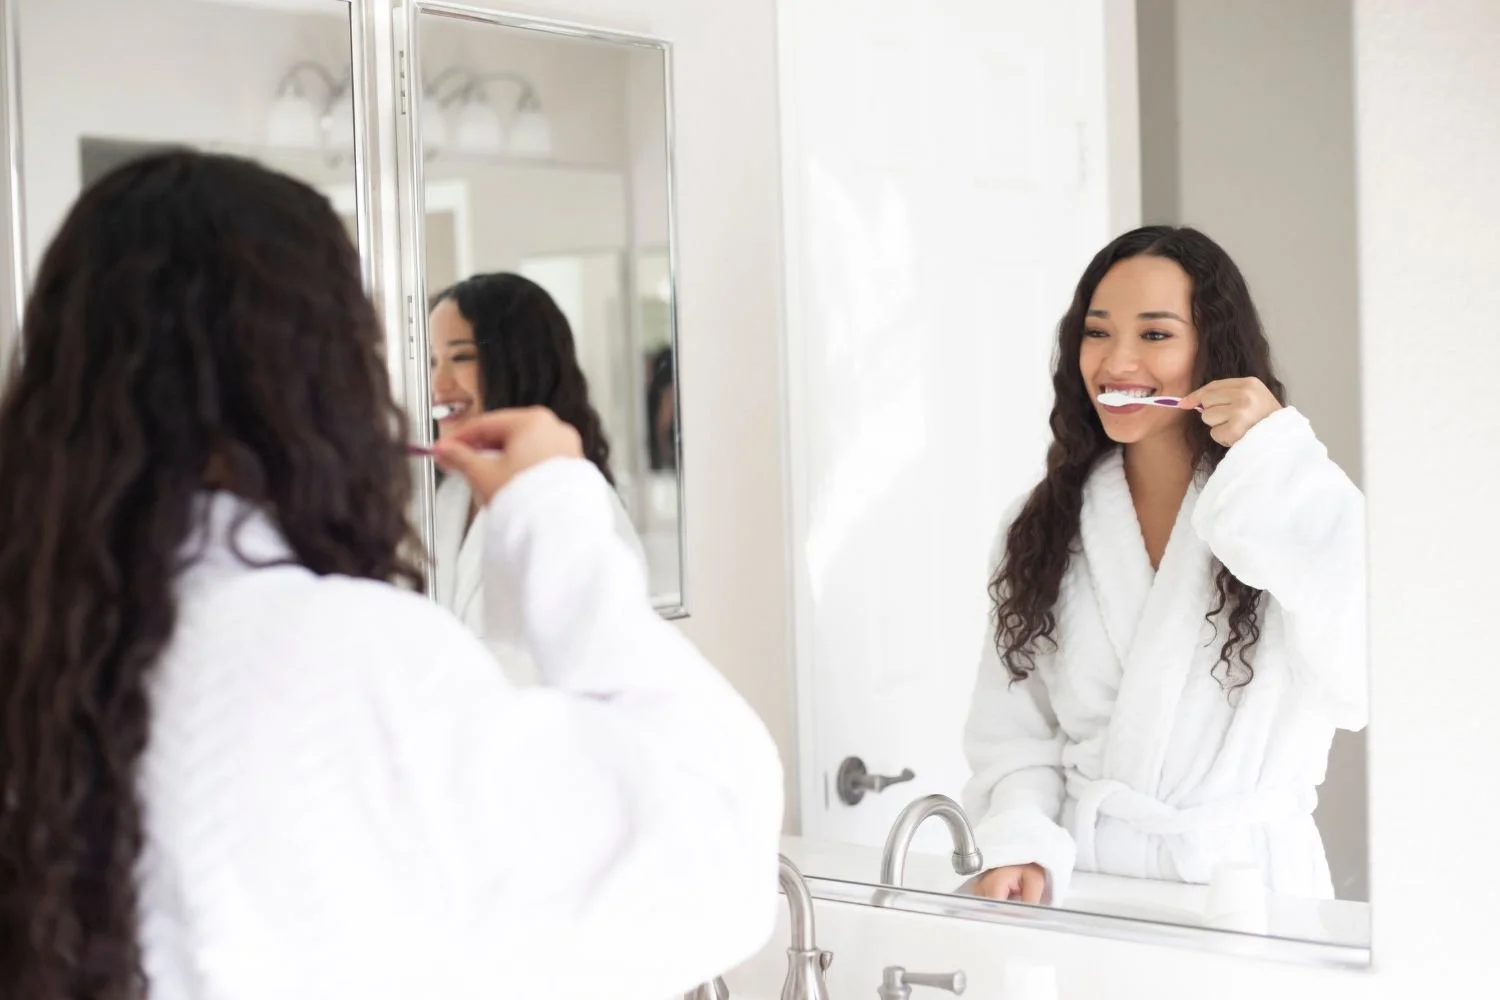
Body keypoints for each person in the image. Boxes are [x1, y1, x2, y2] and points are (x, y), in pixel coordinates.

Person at [0, 152, 783, 1000]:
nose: (435, 382)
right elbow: (714, 858)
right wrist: (557, 512)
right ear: (314, 373)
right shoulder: (333, 659)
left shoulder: (42, 640)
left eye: (462, 356)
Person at [961, 226, 1367, 906]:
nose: (1117, 361)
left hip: (1250, 892)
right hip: (1094, 886)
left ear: (1212, 347)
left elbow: (1360, 677)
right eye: (1097, 333)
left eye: (1155, 335)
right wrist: (1021, 844)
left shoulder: (1282, 499)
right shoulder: (1042, 527)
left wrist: (1274, 458)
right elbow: (1015, 738)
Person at [428, 272, 647, 683]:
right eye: (431, 361)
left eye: (460, 357)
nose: (438, 384)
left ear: (516, 364)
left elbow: (603, 659)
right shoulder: (447, 498)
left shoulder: (581, 503)